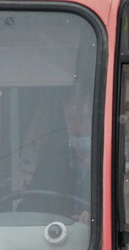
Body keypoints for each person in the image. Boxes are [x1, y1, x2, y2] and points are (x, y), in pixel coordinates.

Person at [22, 90, 92, 219]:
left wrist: (94, 221)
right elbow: (28, 209)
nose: (77, 128)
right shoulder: (51, 166)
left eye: (84, 118)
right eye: (71, 119)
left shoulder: (110, 164)